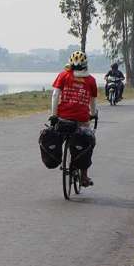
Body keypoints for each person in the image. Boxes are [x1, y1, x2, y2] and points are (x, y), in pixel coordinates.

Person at [49, 51, 98, 186]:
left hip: (63, 117)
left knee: (59, 135)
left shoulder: (63, 75)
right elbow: (92, 101)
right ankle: (84, 176)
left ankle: (59, 157)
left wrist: (54, 115)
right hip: (82, 119)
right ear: (85, 64)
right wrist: (93, 114)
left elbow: (55, 96)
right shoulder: (91, 80)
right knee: (87, 142)